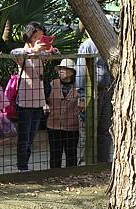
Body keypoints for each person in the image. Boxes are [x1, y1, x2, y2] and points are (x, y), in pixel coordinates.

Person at [11, 22, 54, 171]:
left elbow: (53, 55)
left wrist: (51, 50)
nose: (39, 40)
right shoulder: (23, 53)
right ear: (29, 37)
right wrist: (33, 51)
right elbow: (14, 53)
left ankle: (25, 166)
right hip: (24, 102)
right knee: (24, 138)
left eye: (41, 37)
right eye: (36, 37)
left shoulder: (41, 55)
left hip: (39, 102)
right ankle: (22, 167)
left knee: (31, 138)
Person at [76, 25, 113, 164]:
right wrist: (82, 95)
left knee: (105, 129)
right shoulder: (87, 45)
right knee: (89, 129)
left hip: (107, 91)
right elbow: (80, 71)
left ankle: (103, 162)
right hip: (91, 93)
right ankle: (86, 163)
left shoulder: (111, 44)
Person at [46, 59, 80, 168]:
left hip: (72, 127)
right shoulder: (52, 84)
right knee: (55, 155)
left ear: (72, 72)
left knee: (71, 154)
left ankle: (71, 176)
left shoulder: (79, 86)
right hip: (54, 125)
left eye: (64, 69)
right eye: (60, 69)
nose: (60, 71)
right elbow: (43, 100)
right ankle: (54, 176)